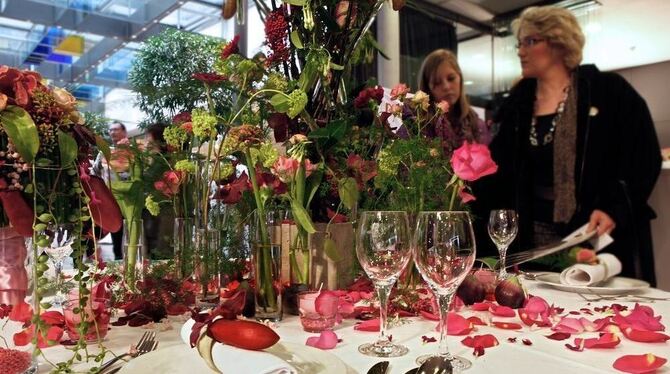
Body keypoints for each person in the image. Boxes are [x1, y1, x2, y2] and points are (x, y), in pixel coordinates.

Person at [474, 6, 662, 285]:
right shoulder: (516, 104)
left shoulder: (608, 91)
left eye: (530, 41)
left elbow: (643, 156)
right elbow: (497, 174)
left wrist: (614, 207)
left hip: (592, 237)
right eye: (519, 43)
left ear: (559, 43)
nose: (520, 51)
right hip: (530, 243)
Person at [417, 49, 492, 149]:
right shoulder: (418, 125)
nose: (446, 86)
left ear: (460, 78)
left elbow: (487, 162)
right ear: (428, 89)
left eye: (451, 78)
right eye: (437, 82)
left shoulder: (476, 125)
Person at [93, 122, 130, 260]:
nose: (113, 132)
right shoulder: (104, 152)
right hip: (108, 199)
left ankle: (126, 260)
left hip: (127, 198)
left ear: (124, 132)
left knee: (125, 232)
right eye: (111, 130)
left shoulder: (131, 151)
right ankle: (113, 260)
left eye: (116, 129)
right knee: (108, 230)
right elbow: (95, 172)